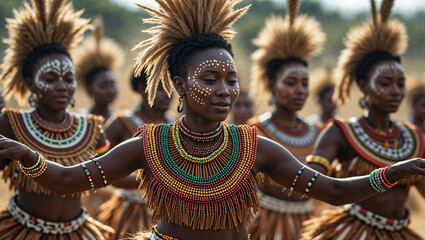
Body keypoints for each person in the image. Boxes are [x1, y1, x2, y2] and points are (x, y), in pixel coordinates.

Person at [1, 1, 425, 240]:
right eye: (210, 79)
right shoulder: (148, 144)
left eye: (231, 79)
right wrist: (26, 154)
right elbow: (68, 181)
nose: (225, 90)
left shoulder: (256, 148)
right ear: (180, 86)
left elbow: (332, 191)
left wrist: (391, 174)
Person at [301, 1, 425, 239]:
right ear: (363, 86)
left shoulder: (412, 137)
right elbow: (311, 182)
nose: (396, 91)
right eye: (385, 84)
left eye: (400, 84)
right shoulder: (340, 132)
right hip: (351, 232)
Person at [0, 0, 113, 238]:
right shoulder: (12, 124)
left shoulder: (92, 128)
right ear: (31, 84)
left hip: (78, 232)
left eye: (68, 79)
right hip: (20, 232)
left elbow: (111, 175)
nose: (62, 86)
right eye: (50, 79)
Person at [247, 1, 326, 239]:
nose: (300, 90)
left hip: (308, 227)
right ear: (271, 85)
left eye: (305, 84)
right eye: (291, 83)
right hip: (262, 226)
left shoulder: (319, 132)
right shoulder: (254, 130)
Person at [98, 68, 173, 239]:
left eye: (170, 88)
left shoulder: (176, 125)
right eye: (160, 88)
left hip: (167, 215)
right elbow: (102, 170)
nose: (166, 94)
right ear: (141, 88)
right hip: (129, 213)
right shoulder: (120, 123)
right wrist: (151, 182)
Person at [74, 17, 123, 122]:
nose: (110, 90)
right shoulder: (79, 119)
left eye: (113, 84)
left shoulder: (123, 120)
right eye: (103, 85)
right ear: (89, 89)